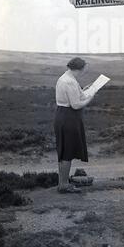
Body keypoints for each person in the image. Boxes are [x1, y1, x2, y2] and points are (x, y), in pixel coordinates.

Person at [54, 57, 95, 193]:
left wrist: (85, 91)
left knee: (64, 150)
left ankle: (62, 182)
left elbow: (75, 96)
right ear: (80, 68)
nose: (84, 71)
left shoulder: (64, 78)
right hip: (69, 117)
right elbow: (76, 105)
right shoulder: (70, 82)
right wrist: (89, 98)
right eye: (84, 69)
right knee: (68, 151)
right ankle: (64, 185)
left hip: (62, 115)